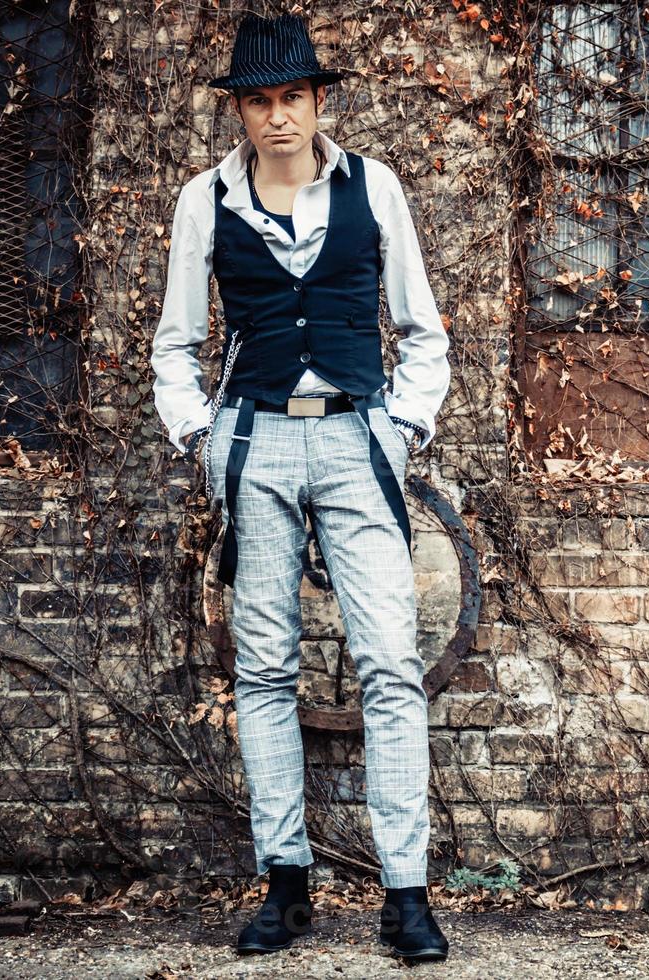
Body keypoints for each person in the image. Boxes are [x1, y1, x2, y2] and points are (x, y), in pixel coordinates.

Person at [149, 12, 451, 963]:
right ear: (239, 110)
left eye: (292, 97)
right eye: (258, 101)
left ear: (319, 101)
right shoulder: (205, 200)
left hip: (358, 442)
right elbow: (174, 344)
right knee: (266, 668)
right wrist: (205, 438)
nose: (277, 117)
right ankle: (287, 884)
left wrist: (398, 433)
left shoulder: (376, 189)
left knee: (391, 665)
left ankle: (406, 893)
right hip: (255, 442)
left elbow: (423, 331)